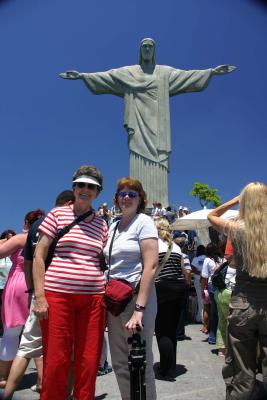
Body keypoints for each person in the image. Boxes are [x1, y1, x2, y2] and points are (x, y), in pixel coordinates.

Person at [60, 38, 235, 206]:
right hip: (137, 122)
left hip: (159, 126)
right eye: (144, 46)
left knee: (159, 159)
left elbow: (187, 76)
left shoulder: (165, 73)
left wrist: (211, 72)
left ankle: (160, 203)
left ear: (154, 51)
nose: (147, 49)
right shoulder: (128, 73)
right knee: (137, 156)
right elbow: (107, 77)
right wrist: (83, 76)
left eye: (150, 46)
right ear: (139, 50)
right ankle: (139, 201)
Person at [33, 166, 108, 400]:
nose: (86, 190)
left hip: (94, 298)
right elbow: (39, 255)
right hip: (57, 294)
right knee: (57, 358)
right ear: (74, 188)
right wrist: (40, 296)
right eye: (81, 185)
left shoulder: (102, 224)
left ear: (98, 192)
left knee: (89, 358)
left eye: (92, 186)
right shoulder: (56, 215)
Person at [2, 191, 75, 400]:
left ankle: (7, 394)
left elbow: (28, 262)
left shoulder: (35, 227)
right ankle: (61, 393)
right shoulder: (66, 223)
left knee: (26, 345)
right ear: (69, 203)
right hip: (61, 291)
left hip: (37, 290)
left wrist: (33, 291)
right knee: (65, 348)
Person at [207, 182, 267, 399]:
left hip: (243, 304)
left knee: (241, 368)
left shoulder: (236, 228)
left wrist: (235, 200)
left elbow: (212, 215)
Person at [104, 177, 158, 400]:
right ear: (116, 199)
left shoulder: (143, 221)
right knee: (118, 360)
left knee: (139, 359)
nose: (126, 197)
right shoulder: (113, 226)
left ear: (140, 199)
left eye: (132, 194)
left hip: (136, 297)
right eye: (122, 194)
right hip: (115, 299)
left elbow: (151, 265)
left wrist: (139, 308)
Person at [0, 210, 44, 385]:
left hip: (18, 283)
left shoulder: (20, 238)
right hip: (39, 283)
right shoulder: (45, 238)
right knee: (37, 333)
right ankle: (42, 380)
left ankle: (4, 377)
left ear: (26, 223)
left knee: (11, 334)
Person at [154, 218, 187, 381]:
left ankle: (165, 369)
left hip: (162, 289)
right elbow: (181, 268)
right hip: (178, 288)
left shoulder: (154, 245)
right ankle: (172, 366)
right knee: (172, 329)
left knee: (162, 330)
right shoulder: (177, 247)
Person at [201, 243, 223, 345]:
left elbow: (204, 277)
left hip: (212, 286)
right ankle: (221, 337)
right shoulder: (223, 259)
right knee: (221, 312)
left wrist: (203, 289)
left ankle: (213, 337)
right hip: (223, 286)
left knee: (213, 312)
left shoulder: (207, 260)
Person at [0, 230, 16, 336]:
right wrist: (7, 240)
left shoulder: (15, 254)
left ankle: (5, 330)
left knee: (7, 310)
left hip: (10, 286)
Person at [191, 245, 206, 324]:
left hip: (197, 280)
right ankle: (205, 318)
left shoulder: (195, 259)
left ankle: (199, 318)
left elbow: (192, 270)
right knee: (206, 299)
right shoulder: (207, 258)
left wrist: (200, 273)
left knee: (200, 298)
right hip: (206, 279)